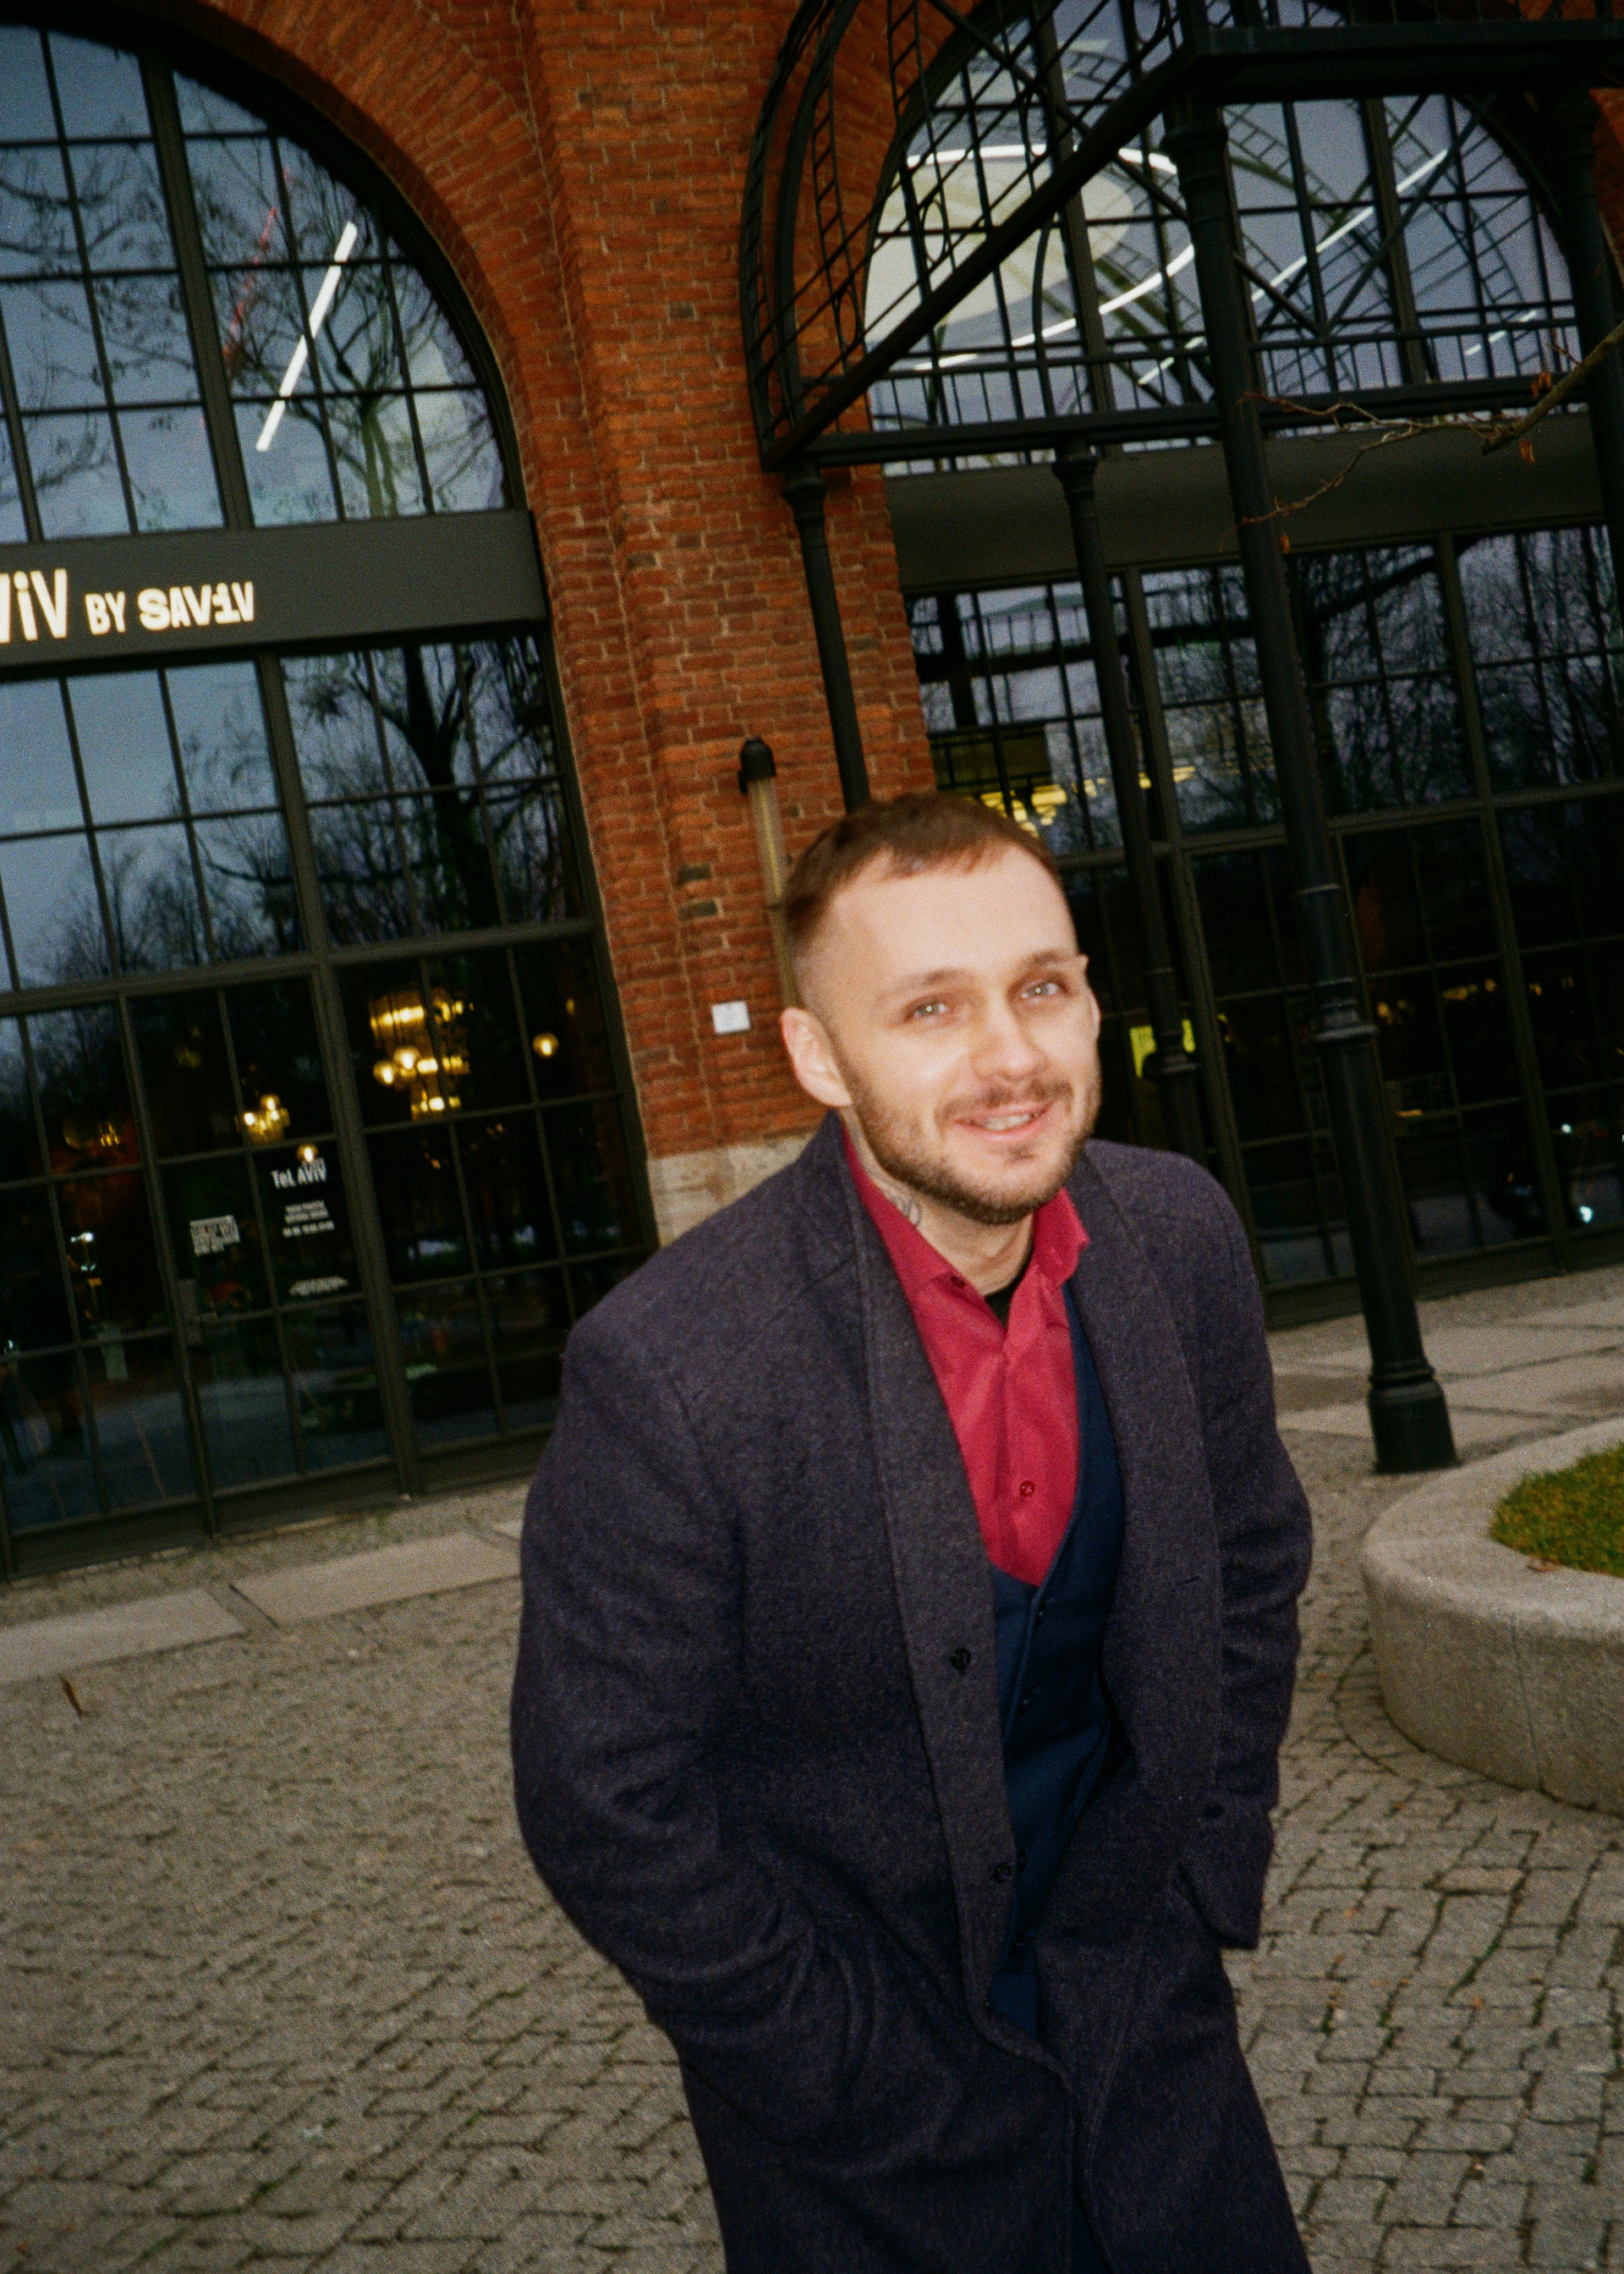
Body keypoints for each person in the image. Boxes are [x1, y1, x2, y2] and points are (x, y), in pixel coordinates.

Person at [511, 792, 1313, 2274]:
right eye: (931, 1009)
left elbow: (1254, 1558)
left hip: (1152, 2036)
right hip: (861, 2135)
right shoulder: (672, 1371)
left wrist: (1203, 1865)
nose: (1011, 1058)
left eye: (1042, 987)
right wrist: (828, 2062)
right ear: (820, 1056)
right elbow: (602, 1795)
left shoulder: (1179, 1237)